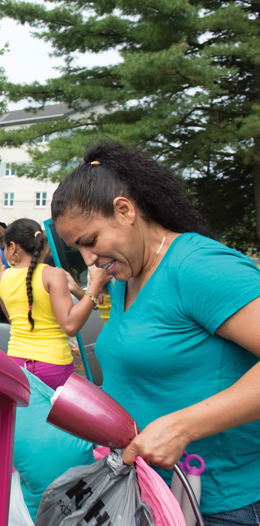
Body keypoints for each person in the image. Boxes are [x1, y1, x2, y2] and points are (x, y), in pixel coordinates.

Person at [52, 141, 260, 523]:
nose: (89, 260)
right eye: (76, 249)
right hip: (154, 495)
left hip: (221, 502)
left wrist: (183, 427)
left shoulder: (198, 267)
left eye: (91, 241)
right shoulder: (123, 277)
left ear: (125, 210)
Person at [0, 218, 102, 389]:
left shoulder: (1, 277)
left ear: (13, 247)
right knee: (53, 416)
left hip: (16, 361)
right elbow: (70, 325)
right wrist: (95, 287)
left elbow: (12, 319)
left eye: (5, 247)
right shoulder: (53, 274)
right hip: (53, 363)